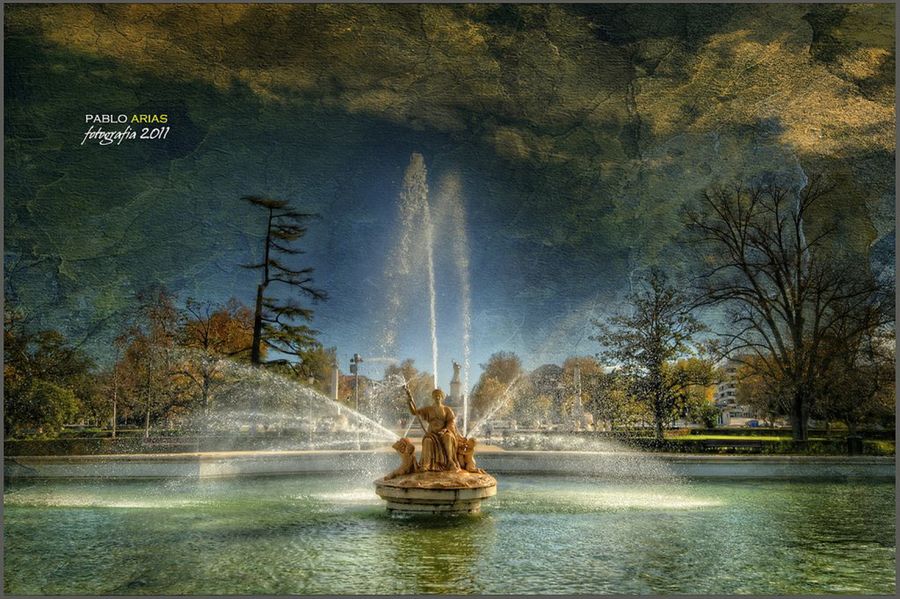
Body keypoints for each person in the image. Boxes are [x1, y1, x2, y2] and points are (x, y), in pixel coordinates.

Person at [409, 388, 462, 472]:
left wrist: (445, 430)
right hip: (432, 433)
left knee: (448, 437)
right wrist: (409, 401)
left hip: (444, 432)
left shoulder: (447, 409)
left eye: (439, 396)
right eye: (435, 396)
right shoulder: (428, 409)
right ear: (433, 398)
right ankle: (426, 464)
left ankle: (450, 461)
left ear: (442, 397)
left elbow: (451, 422)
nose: (437, 397)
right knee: (427, 441)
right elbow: (414, 412)